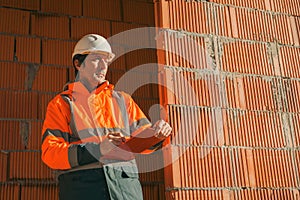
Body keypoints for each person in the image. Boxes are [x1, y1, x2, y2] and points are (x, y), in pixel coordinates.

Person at [41, 33, 172, 200]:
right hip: (83, 191)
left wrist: (156, 134)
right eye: (96, 59)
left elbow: (143, 141)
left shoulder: (123, 100)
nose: (103, 66)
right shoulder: (62, 104)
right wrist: (98, 149)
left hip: (125, 192)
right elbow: (50, 153)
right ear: (78, 64)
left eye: (106, 60)